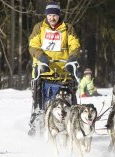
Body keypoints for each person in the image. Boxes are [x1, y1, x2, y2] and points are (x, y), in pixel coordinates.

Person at [28, 2, 80, 135]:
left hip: (64, 72)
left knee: (70, 103)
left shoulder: (67, 28)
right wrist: (41, 57)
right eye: (50, 15)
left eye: (55, 15)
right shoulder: (39, 27)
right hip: (43, 71)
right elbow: (33, 45)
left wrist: (72, 58)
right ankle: (36, 125)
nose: (52, 18)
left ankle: (72, 126)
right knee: (39, 104)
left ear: (59, 15)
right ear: (46, 15)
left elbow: (74, 44)